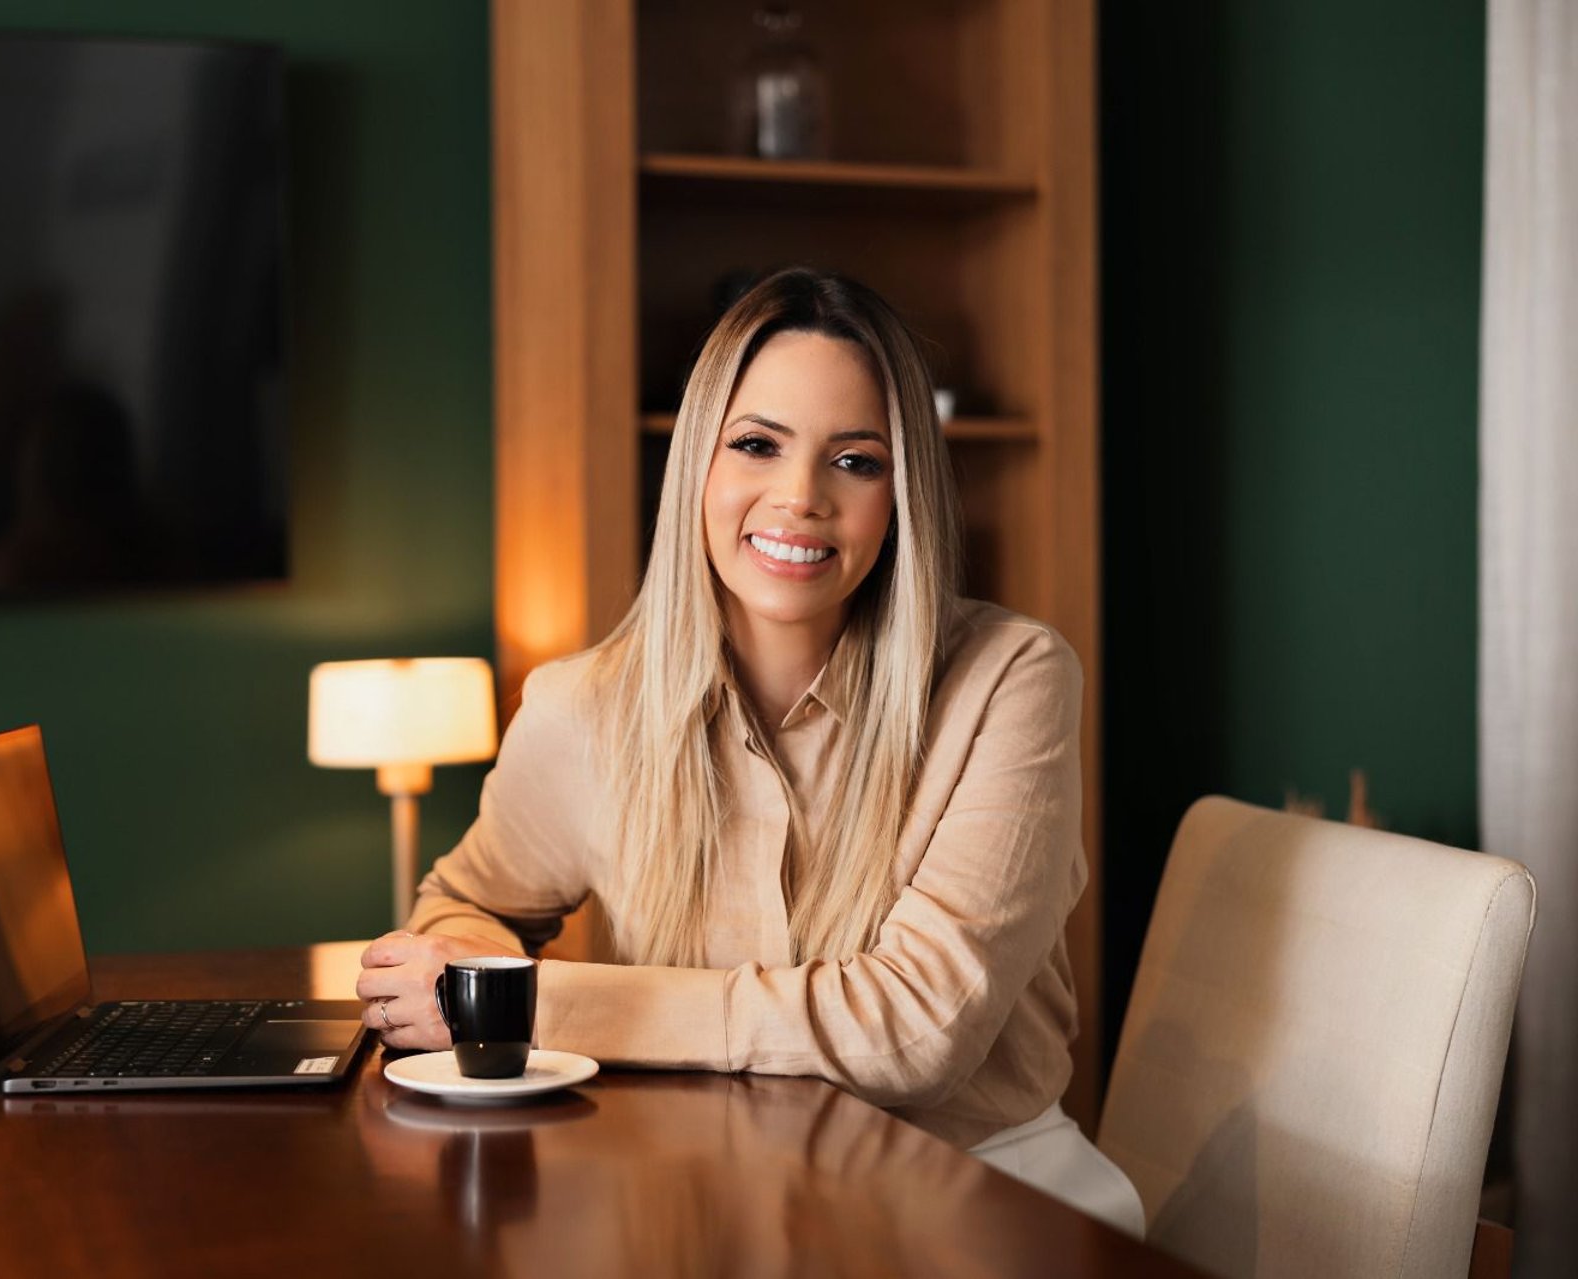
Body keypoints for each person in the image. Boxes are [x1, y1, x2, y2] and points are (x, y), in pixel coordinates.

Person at [356, 268, 1144, 1236]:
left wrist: (529, 1010)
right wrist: (473, 974)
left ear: (901, 496)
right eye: (758, 444)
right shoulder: (583, 710)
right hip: (705, 1193)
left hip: (979, 1192)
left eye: (855, 461)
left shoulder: (1014, 681)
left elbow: (919, 1026)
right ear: (700, 463)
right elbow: (467, 904)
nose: (799, 497)